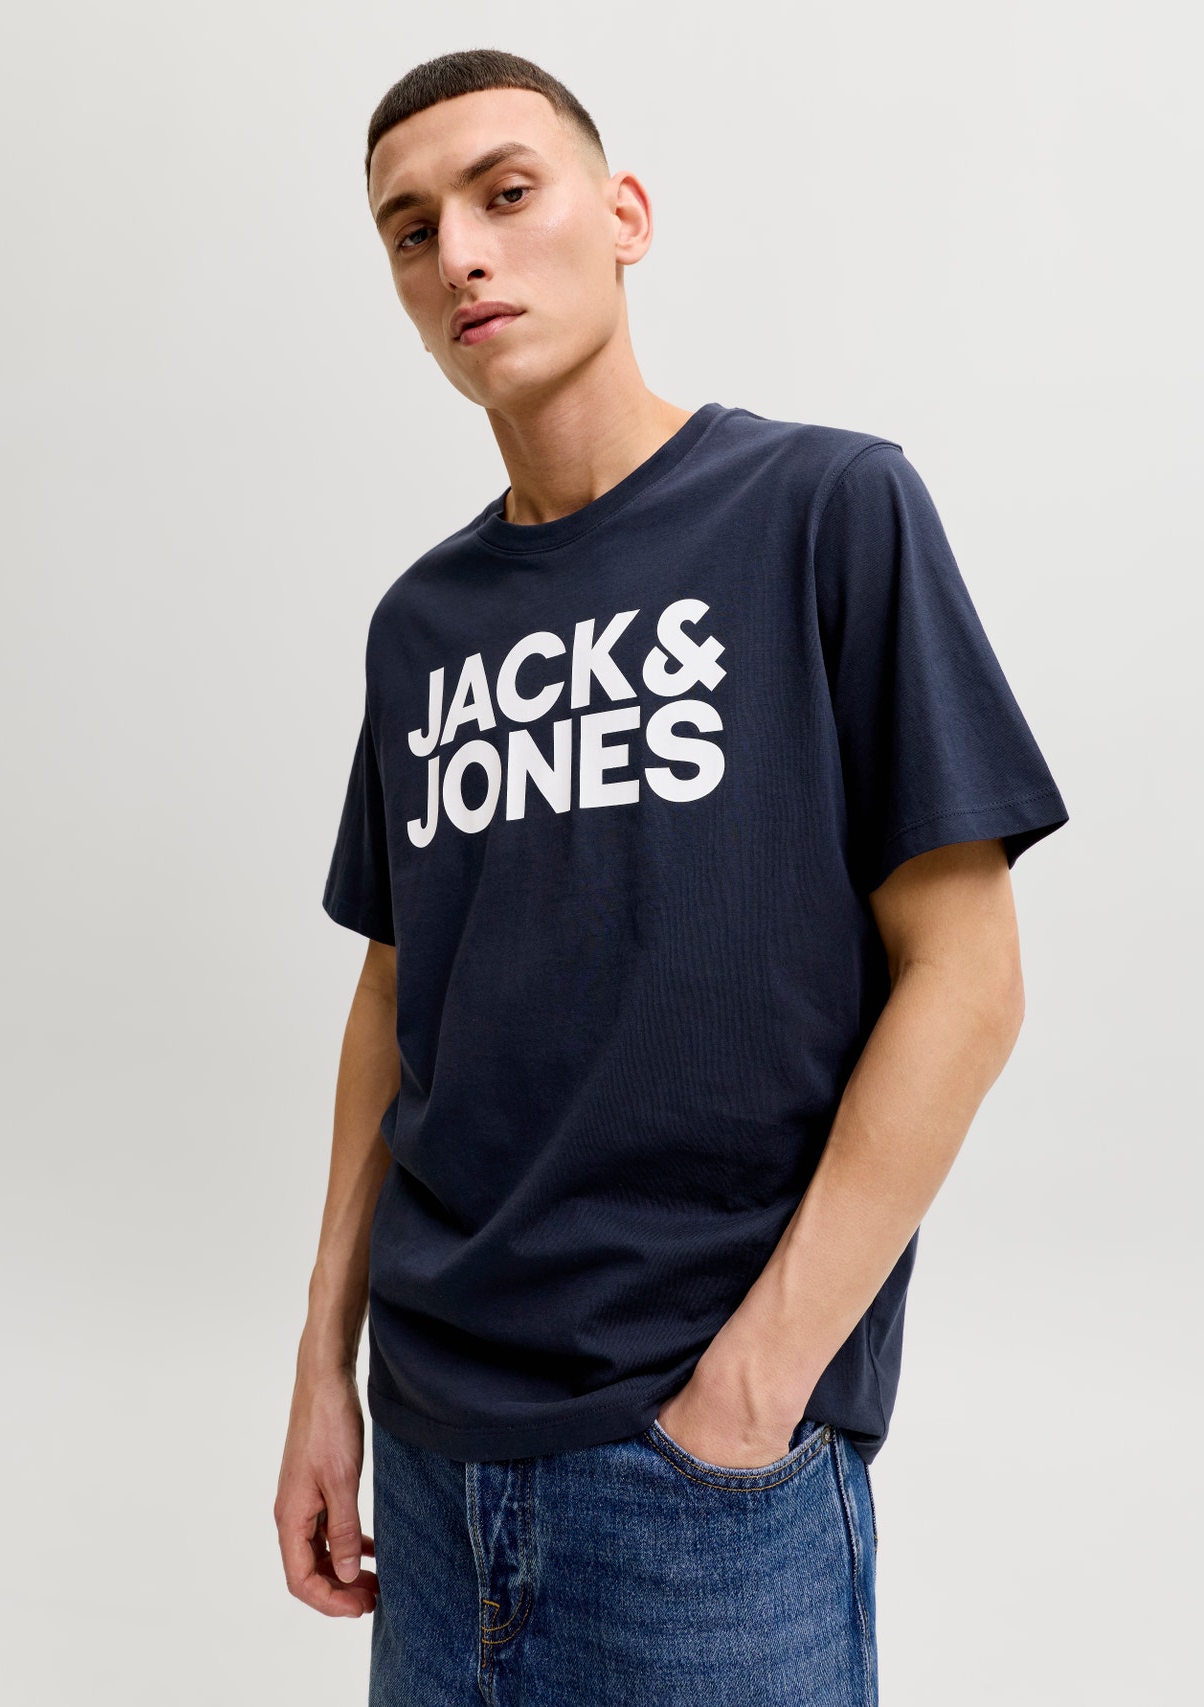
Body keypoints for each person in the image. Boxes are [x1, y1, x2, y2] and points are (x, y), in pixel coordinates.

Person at [273, 47, 1070, 1706]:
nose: (461, 255)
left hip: (698, 1474)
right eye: (411, 231)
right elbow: (396, 992)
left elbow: (969, 978)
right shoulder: (422, 626)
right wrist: (321, 1370)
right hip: (428, 1447)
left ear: (624, 214)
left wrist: (754, 1390)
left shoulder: (825, 509)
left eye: (507, 194)